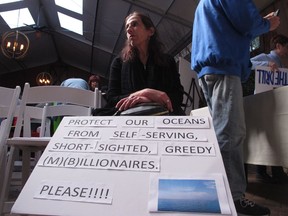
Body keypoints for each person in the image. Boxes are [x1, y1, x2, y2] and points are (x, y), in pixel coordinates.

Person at [191, 1, 280, 215]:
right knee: (230, 133)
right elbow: (247, 22)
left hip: (208, 69)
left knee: (222, 132)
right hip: (224, 68)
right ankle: (233, 199)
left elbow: (232, 27)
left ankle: (220, 194)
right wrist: (268, 24)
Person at [106, 11, 184, 115]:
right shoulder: (119, 62)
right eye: (127, 27)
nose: (128, 30)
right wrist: (145, 93)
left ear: (150, 31)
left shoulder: (167, 61)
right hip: (130, 119)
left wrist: (148, 100)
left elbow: (178, 96)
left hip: (163, 117)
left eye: (134, 24)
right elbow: (112, 98)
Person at [250, 34, 288, 184]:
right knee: (264, 138)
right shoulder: (265, 57)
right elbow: (247, 63)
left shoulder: (282, 64)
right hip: (262, 104)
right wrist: (266, 65)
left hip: (275, 105)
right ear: (278, 46)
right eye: (286, 48)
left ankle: (277, 172)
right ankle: (261, 171)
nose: (287, 51)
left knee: (277, 137)